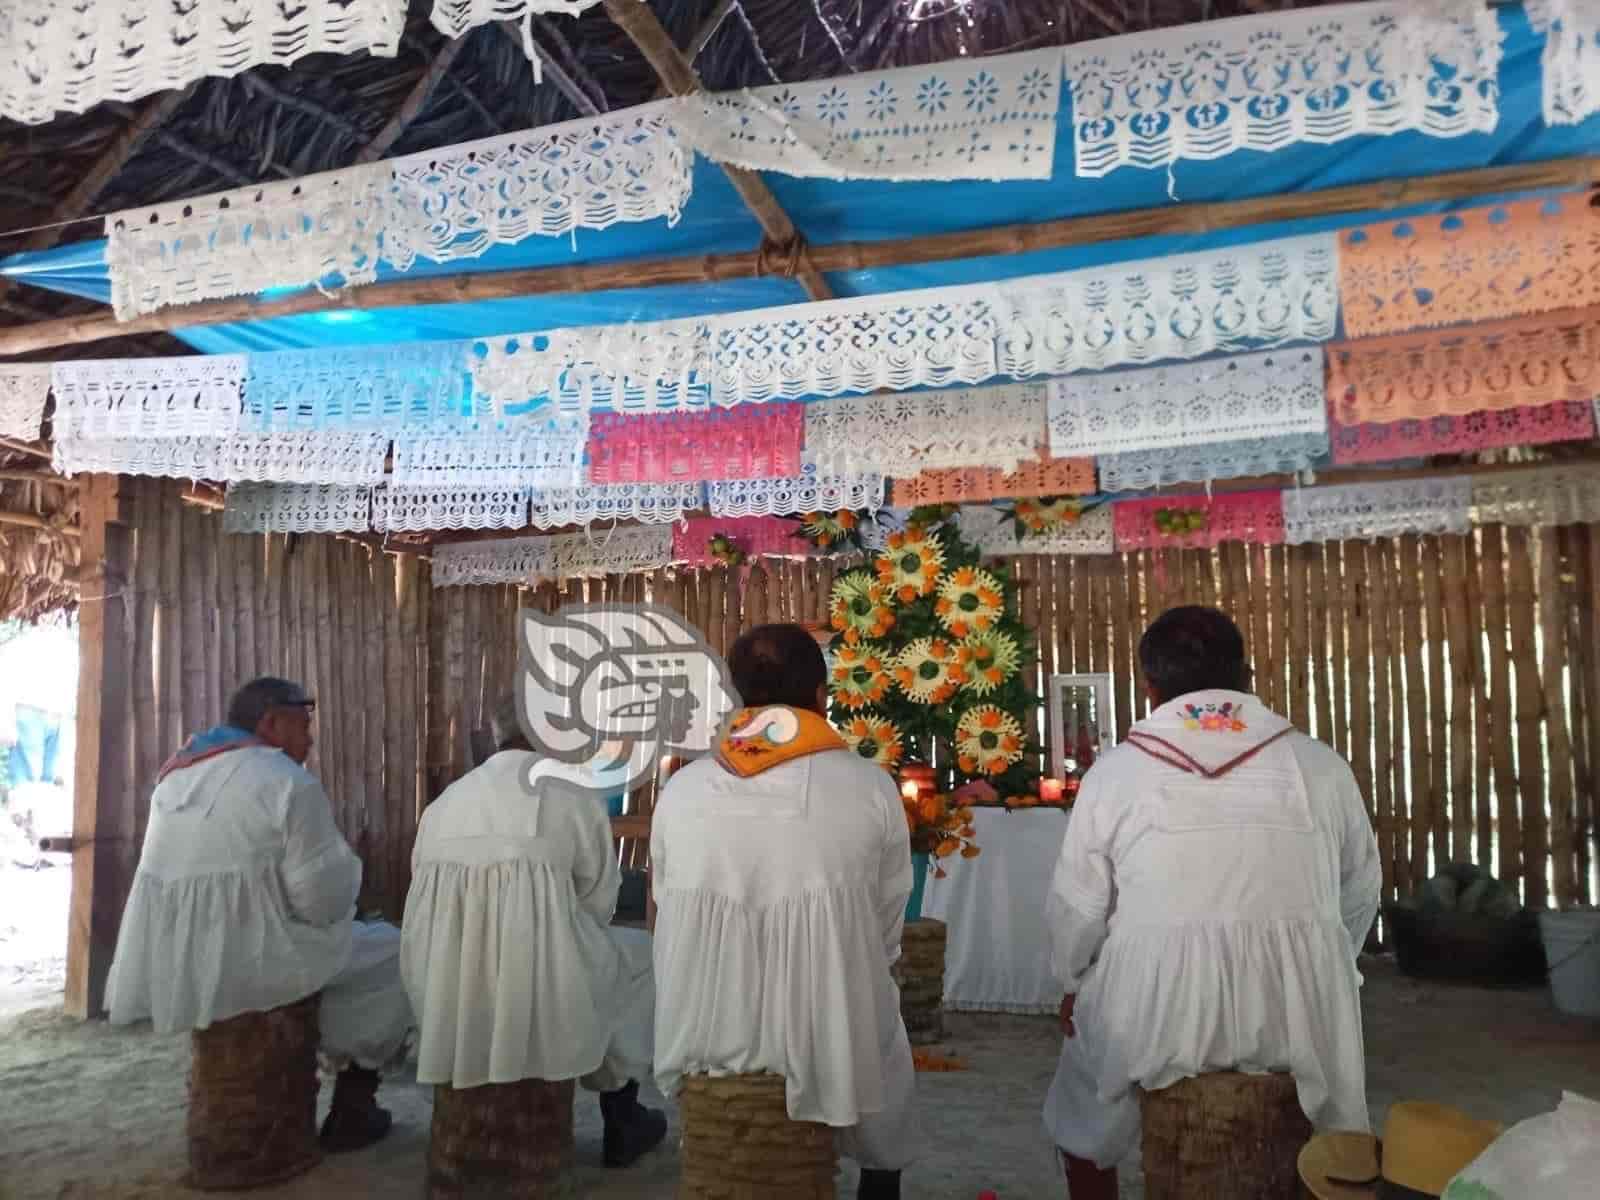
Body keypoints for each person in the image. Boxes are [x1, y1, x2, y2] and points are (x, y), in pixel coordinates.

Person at [1043, 606, 1381, 1199]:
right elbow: (1360, 891)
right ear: (1246, 677)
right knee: (1341, 1134)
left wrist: (1073, 981)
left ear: (1150, 688)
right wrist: (1326, 966)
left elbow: (1078, 910)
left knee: (1078, 1112)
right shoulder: (1322, 766)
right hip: (1298, 1010)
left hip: (1159, 1008)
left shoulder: (1117, 774)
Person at [651, 623, 918, 1200]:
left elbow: (664, 899)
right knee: (884, 1034)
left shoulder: (683, 790)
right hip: (829, 1026)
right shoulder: (868, 785)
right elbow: (888, 915)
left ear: (739, 695)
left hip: (705, 1020)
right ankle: (879, 1179)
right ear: (821, 696)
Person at [107, 677, 411, 1152]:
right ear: (271, 722)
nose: (310, 739)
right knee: (390, 953)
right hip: (259, 961)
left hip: (184, 965)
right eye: (304, 725)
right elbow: (322, 900)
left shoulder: (179, 774)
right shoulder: (285, 779)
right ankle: (355, 1107)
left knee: (340, 959)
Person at [400, 694, 667, 1168]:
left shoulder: (446, 803)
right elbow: (599, 902)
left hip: (448, 982)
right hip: (543, 987)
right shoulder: (572, 796)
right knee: (637, 958)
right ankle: (622, 1116)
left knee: (600, 961)